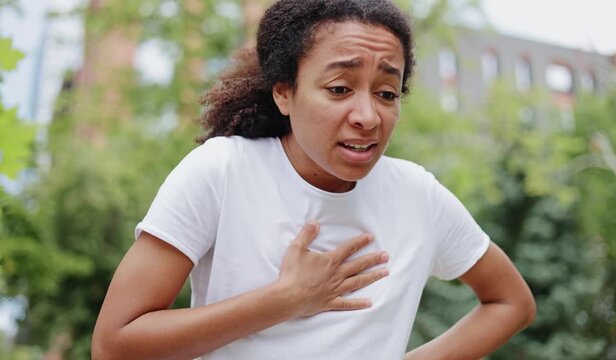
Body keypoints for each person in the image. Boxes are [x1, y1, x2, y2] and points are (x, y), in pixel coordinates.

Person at [92, 0, 536, 359]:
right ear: (284, 92)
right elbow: (115, 344)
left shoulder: (418, 195)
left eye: (386, 94)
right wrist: (286, 299)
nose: (367, 117)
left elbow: (511, 303)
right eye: (340, 89)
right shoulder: (223, 171)